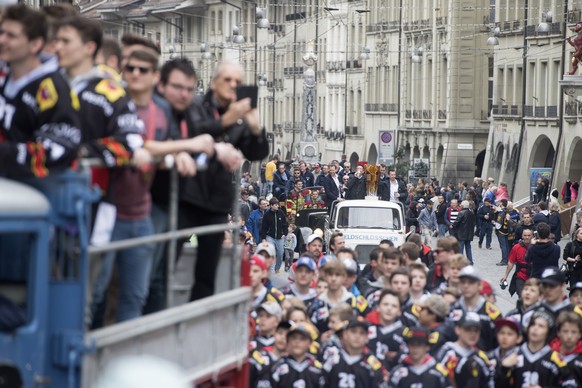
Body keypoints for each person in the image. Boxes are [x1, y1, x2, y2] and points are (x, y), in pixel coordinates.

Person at [183, 60, 268, 301]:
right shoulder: (196, 105)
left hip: (215, 201)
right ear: (214, 82)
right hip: (187, 195)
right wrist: (225, 120)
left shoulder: (238, 117)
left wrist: (254, 128)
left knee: (207, 270)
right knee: (170, 258)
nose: (233, 85)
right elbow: (193, 132)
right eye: (227, 80)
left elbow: (256, 153)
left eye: (238, 82)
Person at [0, 5, 82, 178]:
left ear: (35, 44)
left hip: (35, 193)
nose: (2, 40)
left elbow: (60, 148)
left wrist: (6, 153)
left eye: (11, 36)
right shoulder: (4, 75)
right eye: (2, 33)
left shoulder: (53, 87)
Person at [495, 309, 576, 387]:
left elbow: (571, 385)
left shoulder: (556, 359)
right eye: (532, 324)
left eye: (541, 326)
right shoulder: (513, 355)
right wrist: (503, 368)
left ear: (548, 332)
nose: (535, 328)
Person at [450, 266, 501, 351]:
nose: (466, 286)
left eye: (471, 282)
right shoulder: (452, 308)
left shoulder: (493, 313)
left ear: (480, 285)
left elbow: (497, 343)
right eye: (463, 282)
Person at [436, 311, 493, 388]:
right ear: (458, 329)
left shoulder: (481, 358)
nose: (473, 334)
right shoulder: (446, 351)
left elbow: (488, 383)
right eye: (468, 329)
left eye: (476, 330)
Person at [322, 318, 386, 387]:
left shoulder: (372, 364)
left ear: (367, 338)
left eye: (362, 333)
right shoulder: (331, 356)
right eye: (353, 331)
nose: (357, 336)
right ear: (345, 334)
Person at [367, 289, 408, 370]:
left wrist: (398, 356)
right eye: (385, 304)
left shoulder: (405, 334)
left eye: (394, 306)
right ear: (378, 307)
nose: (389, 308)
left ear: (399, 311)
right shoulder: (366, 329)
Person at [550, 311, 582, 386]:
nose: (569, 336)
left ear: (580, 334)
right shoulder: (550, 354)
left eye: (573, 332)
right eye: (565, 331)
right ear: (558, 332)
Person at [500, 229, 533, 298]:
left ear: (532, 236)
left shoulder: (537, 247)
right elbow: (511, 263)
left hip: (533, 276)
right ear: (522, 236)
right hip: (520, 276)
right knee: (521, 295)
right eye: (525, 235)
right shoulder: (516, 247)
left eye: (529, 235)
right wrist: (505, 276)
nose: (527, 237)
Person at [261, 197, 288, 274]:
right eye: (275, 205)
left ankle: (277, 268)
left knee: (280, 253)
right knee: (271, 253)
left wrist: (284, 233)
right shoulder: (267, 215)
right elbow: (263, 227)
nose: (277, 206)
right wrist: (263, 238)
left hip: (280, 237)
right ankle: (271, 269)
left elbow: (285, 224)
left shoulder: (281, 213)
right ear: (271, 206)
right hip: (270, 236)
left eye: (278, 205)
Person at [453, 200, 476, 264]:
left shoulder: (461, 213)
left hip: (461, 233)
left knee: (461, 249)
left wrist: (453, 226)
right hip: (469, 234)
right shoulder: (471, 213)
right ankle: (470, 261)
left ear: (463, 206)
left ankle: (460, 262)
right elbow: (474, 223)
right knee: (468, 248)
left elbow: (456, 222)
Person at [494, 199, 511, 266]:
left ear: (501, 203)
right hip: (506, 230)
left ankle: (504, 260)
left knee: (503, 246)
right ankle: (507, 258)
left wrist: (495, 225)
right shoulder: (507, 211)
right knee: (506, 246)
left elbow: (498, 224)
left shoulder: (501, 213)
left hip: (501, 231)